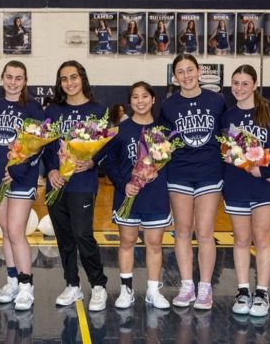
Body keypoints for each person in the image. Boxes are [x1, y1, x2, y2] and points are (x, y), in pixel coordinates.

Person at [222, 65, 270, 317]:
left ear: (255, 84)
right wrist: (233, 159)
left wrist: (265, 170)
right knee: (240, 240)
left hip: (264, 185)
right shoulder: (227, 116)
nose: (239, 88)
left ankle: (261, 293)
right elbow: (225, 150)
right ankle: (242, 291)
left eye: (244, 83)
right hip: (236, 185)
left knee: (262, 238)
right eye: (235, 83)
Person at [159, 54, 225, 310]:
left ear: (199, 72)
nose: (186, 76)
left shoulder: (216, 101)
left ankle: (205, 288)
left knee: (205, 232)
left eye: (190, 70)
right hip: (179, 172)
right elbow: (163, 140)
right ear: (175, 77)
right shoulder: (168, 106)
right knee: (183, 231)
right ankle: (187, 285)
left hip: (209, 171)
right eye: (180, 72)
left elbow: (226, 136)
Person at [44, 60, 108, 312]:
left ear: (82, 78)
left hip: (82, 182)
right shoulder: (53, 111)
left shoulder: (97, 109)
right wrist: (50, 170)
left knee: (82, 234)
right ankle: (72, 284)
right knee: (64, 237)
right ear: (59, 83)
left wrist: (93, 162)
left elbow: (106, 147)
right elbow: (46, 146)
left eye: (73, 77)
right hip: (56, 184)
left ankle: (99, 284)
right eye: (64, 79)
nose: (69, 83)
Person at [104, 82, 172, 310]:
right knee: (127, 242)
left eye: (145, 96)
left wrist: (156, 172)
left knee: (154, 244)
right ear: (129, 101)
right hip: (128, 196)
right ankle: (126, 290)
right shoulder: (120, 130)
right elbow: (110, 164)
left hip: (155, 195)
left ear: (153, 100)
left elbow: (170, 161)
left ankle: (153, 291)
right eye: (135, 97)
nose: (140, 100)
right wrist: (123, 186)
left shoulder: (164, 130)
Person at [0, 60, 44, 311]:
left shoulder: (33, 108)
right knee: (6, 231)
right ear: (2, 79)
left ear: (25, 81)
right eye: (8, 77)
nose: (13, 82)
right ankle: (11, 280)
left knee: (16, 231)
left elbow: (37, 147)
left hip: (21, 179)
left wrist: (17, 170)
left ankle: (25, 285)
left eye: (18, 78)